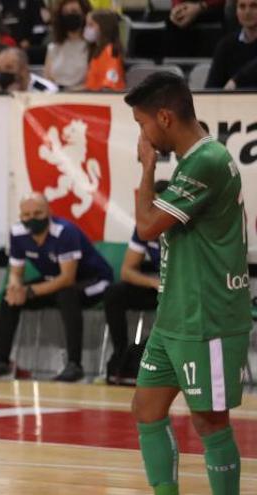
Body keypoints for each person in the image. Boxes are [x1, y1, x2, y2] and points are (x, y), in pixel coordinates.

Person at [127, 72, 251, 495]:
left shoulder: (206, 161)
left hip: (208, 316)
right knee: (146, 408)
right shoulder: (192, 162)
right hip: (176, 314)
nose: (142, 135)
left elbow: (146, 225)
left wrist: (146, 169)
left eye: (142, 124)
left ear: (164, 117)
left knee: (210, 421)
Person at [0, 194, 114, 382]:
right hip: (55, 281)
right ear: (20, 216)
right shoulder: (18, 233)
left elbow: (67, 278)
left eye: (38, 213)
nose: (32, 218)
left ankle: (74, 365)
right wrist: (15, 288)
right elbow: (16, 273)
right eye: (26, 214)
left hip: (94, 280)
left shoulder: (65, 231)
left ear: (49, 212)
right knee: (8, 297)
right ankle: (2, 360)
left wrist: (30, 291)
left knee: (67, 295)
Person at [102, 180, 169, 384]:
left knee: (176, 306)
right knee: (114, 293)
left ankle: (138, 357)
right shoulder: (145, 227)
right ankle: (121, 354)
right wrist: (152, 282)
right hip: (160, 286)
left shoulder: (185, 227)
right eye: (152, 205)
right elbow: (127, 271)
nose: (155, 210)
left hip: (183, 290)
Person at [206, 0, 257, 89]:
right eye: (242, 6)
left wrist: (236, 81)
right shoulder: (225, 45)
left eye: (254, 6)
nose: (247, 12)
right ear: (236, 11)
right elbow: (211, 87)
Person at [44, 0, 92, 90]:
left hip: (84, 96)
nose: (70, 15)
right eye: (65, 13)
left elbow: (94, 83)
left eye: (74, 11)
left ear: (85, 14)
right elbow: (48, 79)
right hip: (56, 96)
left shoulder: (92, 47)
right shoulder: (53, 47)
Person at [84, 9, 125, 91]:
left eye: (91, 25)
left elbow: (110, 85)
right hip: (91, 95)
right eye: (86, 25)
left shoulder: (111, 51)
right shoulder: (97, 50)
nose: (86, 29)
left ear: (104, 26)